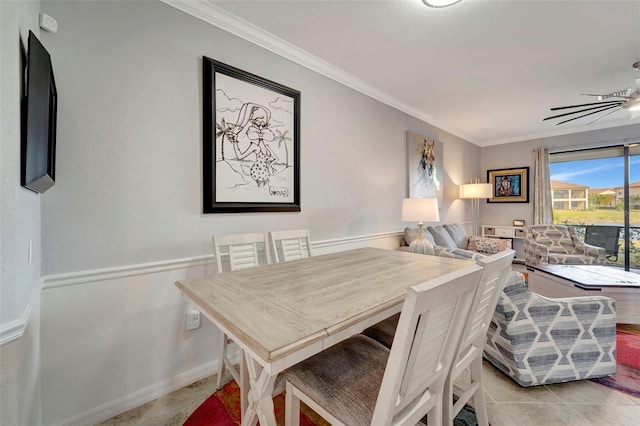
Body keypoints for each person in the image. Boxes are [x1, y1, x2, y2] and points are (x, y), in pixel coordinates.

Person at [228, 103, 278, 187]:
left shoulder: (267, 147)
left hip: (266, 172)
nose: (261, 129)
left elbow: (275, 158)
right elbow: (240, 156)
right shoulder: (254, 146)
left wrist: (270, 165)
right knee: (261, 189)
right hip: (258, 171)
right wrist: (235, 142)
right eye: (257, 125)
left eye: (264, 125)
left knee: (266, 191)